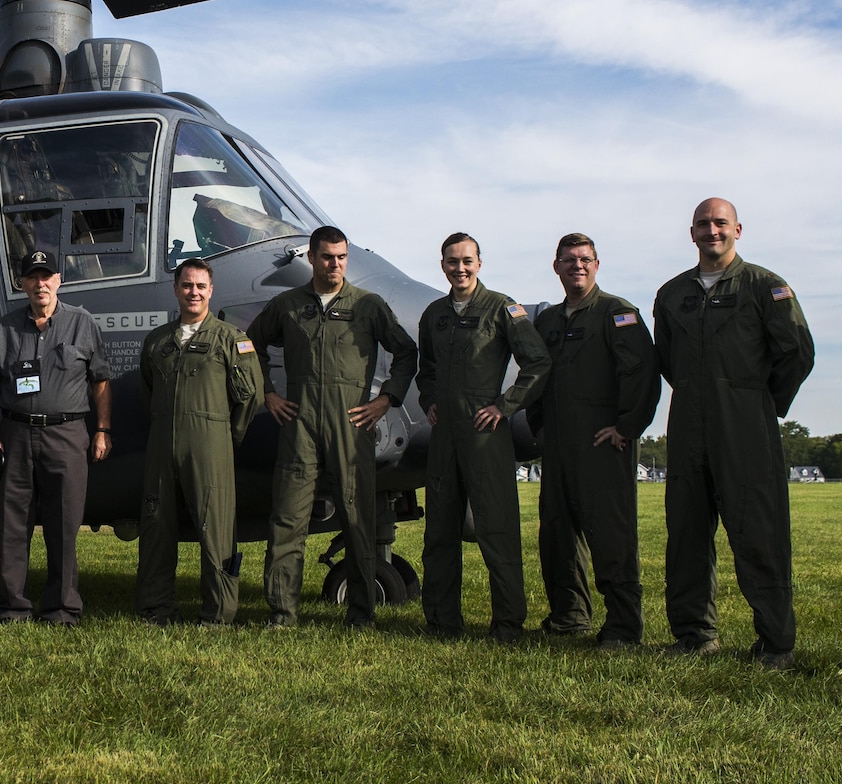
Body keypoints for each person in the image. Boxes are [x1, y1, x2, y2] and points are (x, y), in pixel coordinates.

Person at [653, 198, 814, 668]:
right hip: (687, 426)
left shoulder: (766, 286)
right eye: (703, 224)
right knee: (685, 532)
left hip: (746, 427)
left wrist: (760, 402)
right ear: (692, 232)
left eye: (720, 223)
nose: (712, 231)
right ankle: (694, 634)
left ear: (737, 230)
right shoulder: (671, 293)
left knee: (759, 534)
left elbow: (797, 353)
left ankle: (775, 642)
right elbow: (667, 359)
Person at [246, 226, 417, 629]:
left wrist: (386, 399)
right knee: (288, 520)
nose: (335, 264)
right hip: (299, 426)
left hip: (351, 426)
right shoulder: (287, 305)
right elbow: (248, 344)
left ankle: (361, 613)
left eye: (341, 257)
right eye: (327, 257)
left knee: (358, 518)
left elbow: (406, 351)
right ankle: (282, 612)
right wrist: (267, 394)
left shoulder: (368, 306)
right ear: (311, 257)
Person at [415, 232, 551, 642]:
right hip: (444, 437)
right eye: (452, 261)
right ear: (442, 265)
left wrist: (505, 405)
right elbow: (428, 369)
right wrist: (429, 400)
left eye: (467, 261)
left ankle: (508, 624)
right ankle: (441, 621)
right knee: (439, 530)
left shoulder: (502, 308)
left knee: (497, 529)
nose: (460, 268)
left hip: (484, 433)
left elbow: (538, 363)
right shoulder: (434, 314)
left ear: (479, 263)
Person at [526, 233, 659, 648]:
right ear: (556, 267)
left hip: (605, 446)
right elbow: (535, 376)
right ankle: (569, 617)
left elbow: (642, 375)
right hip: (559, 446)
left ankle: (623, 627)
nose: (576, 266)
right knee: (557, 535)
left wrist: (626, 426)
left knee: (611, 537)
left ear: (596, 265)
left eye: (584, 259)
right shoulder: (547, 322)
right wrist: (539, 426)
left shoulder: (617, 313)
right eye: (568, 260)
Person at [0, 249, 111, 625]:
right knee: (11, 525)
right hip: (16, 433)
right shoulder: (6, 328)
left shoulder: (82, 323)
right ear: (22, 284)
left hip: (67, 435)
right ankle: (12, 607)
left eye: (47, 276)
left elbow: (100, 381)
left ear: (58, 281)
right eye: (32, 277)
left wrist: (102, 430)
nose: (40, 284)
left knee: (65, 524)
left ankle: (62, 608)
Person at [136, 259, 261, 625]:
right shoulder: (157, 341)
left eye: (200, 286)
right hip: (161, 444)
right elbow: (148, 392)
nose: (194, 292)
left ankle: (218, 613)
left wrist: (225, 436)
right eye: (187, 285)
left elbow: (250, 397)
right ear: (176, 289)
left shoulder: (231, 339)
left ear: (211, 291)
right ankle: (156, 607)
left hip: (211, 446)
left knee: (216, 529)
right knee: (156, 524)